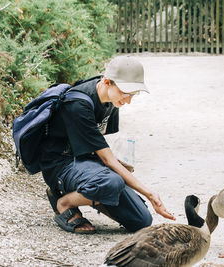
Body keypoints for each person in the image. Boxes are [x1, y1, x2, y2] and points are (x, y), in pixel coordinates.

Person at [39, 56, 175, 234]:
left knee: (141, 220)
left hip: (84, 161)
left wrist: (116, 164)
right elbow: (107, 159)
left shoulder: (111, 101)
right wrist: (150, 194)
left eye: (132, 95)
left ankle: (93, 191)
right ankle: (63, 202)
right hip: (60, 165)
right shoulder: (78, 104)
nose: (128, 101)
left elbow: (98, 145)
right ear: (107, 81)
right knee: (112, 181)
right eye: (125, 93)